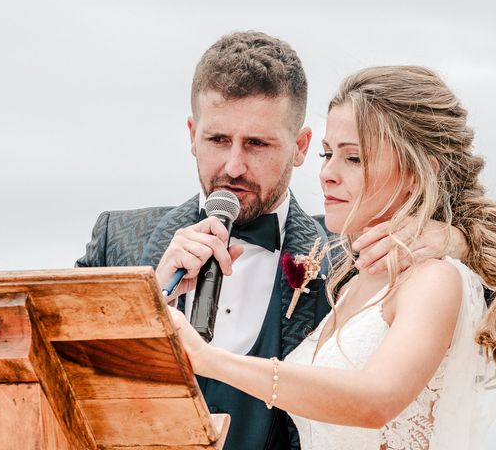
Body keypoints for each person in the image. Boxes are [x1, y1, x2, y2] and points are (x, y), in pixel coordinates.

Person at [77, 32, 470, 450]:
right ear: (192, 135)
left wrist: (454, 237)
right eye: (217, 140)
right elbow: (58, 379)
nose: (233, 165)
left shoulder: (354, 255)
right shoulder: (116, 242)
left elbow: (463, 370)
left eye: (257, 144)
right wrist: (148, 302)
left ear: (299, 147)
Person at [165, 65, 496, 449]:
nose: (327, 174)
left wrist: (208, 359)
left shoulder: (433, 277)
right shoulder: (351, 278)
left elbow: (376, 399)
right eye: (327, 154)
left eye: (353, 158)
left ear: (417, 172)